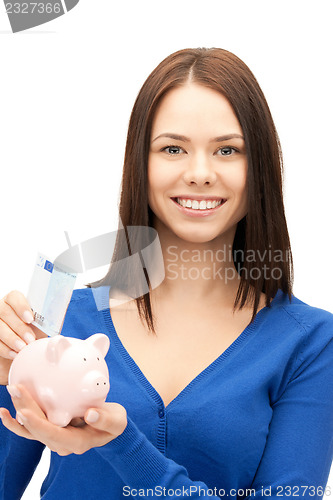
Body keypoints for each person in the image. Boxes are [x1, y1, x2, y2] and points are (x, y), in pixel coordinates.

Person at [0, 47, 333, 499]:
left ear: (260, 169)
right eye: (173, 148)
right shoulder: (54, 322)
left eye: (228, 150)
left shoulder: (312, 344)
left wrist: (124, 445)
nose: (199, 173)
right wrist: (6, 379)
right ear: (141, 162)